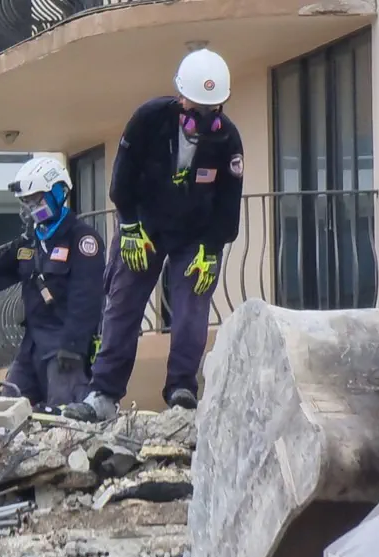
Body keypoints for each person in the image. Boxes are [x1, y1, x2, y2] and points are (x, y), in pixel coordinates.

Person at [65, 48, 244, 422]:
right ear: (181, 98)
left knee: (192, 307)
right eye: (196, 109)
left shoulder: (227, 139)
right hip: (143, 226)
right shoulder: (149, 119)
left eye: (212, 110)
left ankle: (181, 390)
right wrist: (129, 225)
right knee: (123, 304)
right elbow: (121, 181)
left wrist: (211, 249)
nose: (204, 118)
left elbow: (228, 207)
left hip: (195, 236)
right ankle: (103, 393)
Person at [0, 156, 105, 408]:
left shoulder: (82, 240)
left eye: (37, 200)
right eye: (27, 202)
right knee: (6, 410)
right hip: (31, 347)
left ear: (58, 193)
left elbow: (87, 298)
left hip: (64, 348)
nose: (32, 208)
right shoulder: (29, 243)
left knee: (61, 415)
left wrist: (74, 346)